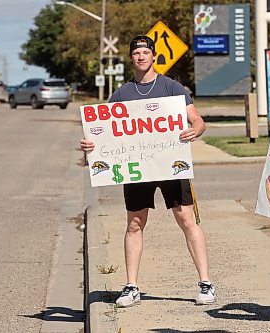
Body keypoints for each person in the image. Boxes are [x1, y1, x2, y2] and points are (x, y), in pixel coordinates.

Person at [80, 35, 215, 308]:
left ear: (154, 56)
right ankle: (131, 286)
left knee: (186, 218)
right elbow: (106, 133)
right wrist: (92, 145)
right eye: (136, 53)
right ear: (131, 58)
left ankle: (206, 283)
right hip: (137, 168)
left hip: (170, 165)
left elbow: (198, 120)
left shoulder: (171, 87)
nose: (141, 56)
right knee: (134, 223)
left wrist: (196, 129)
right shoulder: (121, 94)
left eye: (146, 52)